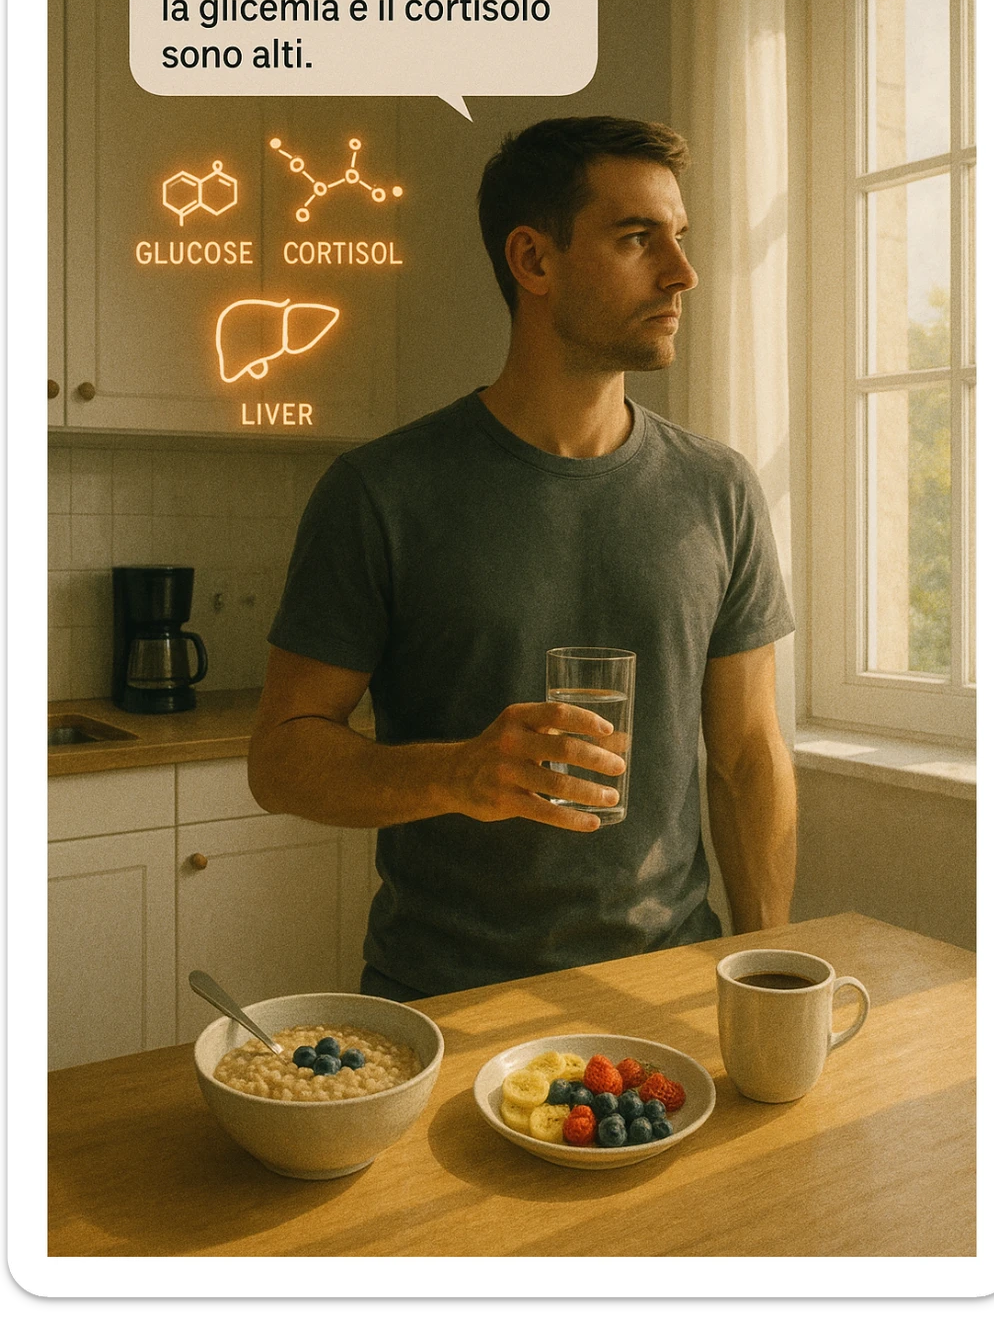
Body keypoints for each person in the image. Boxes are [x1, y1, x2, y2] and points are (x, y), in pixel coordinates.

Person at [249, 115, 797, 1002]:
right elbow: (280, 759)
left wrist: (771, 972)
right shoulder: (380, 492)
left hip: (665, 989)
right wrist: (458, 771)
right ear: (534, 261)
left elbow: (747, 752)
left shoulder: (719, 489)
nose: (682, 273)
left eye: (680, 238)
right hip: (444, 997)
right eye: (636, 239)